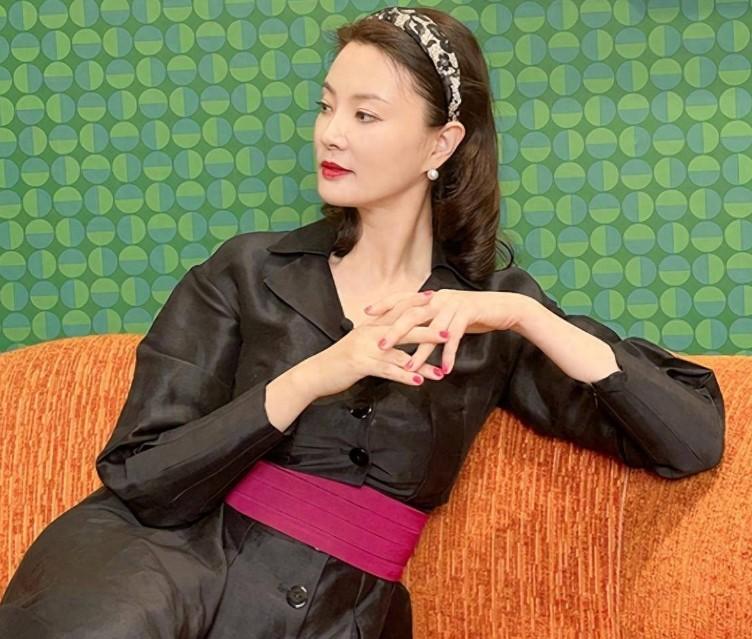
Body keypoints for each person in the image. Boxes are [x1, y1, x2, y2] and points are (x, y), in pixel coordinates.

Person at [0, 6, 725, 639]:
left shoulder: (490, 315)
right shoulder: (245, 273)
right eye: (326, 107)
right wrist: (318, 373)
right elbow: (141, 476)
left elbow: (690, 440)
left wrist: (524, 315)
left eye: (365, 115)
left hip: (335, 615)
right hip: (149, 583)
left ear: (440, 144)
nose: (330, 135)